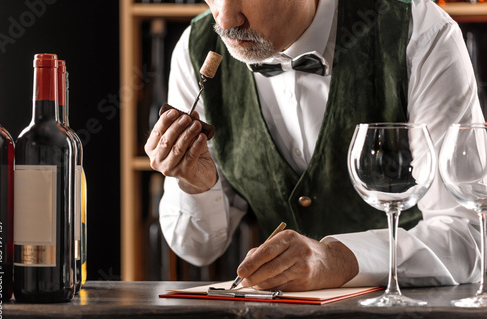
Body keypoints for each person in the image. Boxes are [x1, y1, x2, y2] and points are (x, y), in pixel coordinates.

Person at [144, 0, 485, 292]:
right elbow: (198, 250)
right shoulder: (196, 49)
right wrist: (195, 184)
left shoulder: (418, 32)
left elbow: (468, 235)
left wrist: (337, 259)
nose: (226, 20)